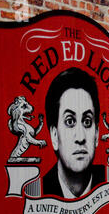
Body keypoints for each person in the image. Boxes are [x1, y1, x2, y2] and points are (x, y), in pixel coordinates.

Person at [42, 67, 105, 198]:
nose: (81, 137)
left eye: (87, 122)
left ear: (97, 134)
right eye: (70, 121)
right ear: (54, 136)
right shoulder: (40, 190)